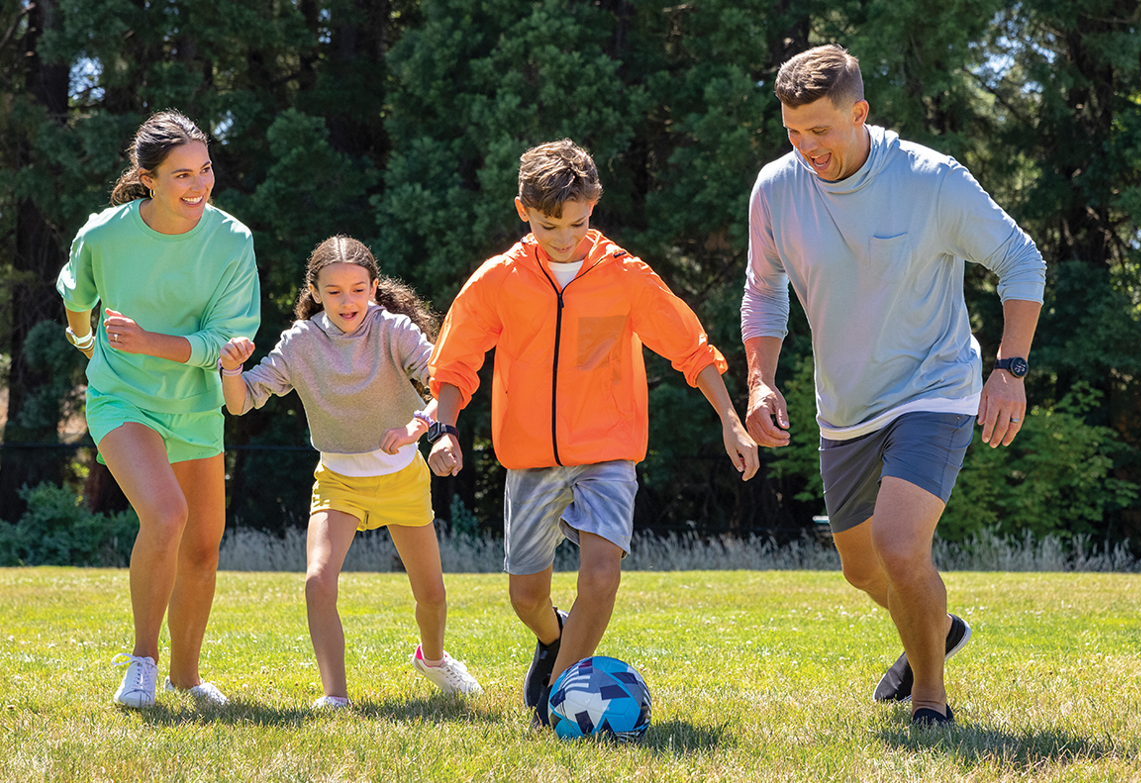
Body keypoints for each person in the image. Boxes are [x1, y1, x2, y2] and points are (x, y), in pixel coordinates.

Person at [741, 44, 1045, 726]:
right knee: (861, 568)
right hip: (846, 404)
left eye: (819, 130)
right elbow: (763, 290)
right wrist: (760, 381)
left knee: (900, 545)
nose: (805, 147)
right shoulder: (776, 189)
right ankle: (936, 626)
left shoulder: (930, 179)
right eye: (792, 131)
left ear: (860, 113)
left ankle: (930, 698)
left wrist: (1010, 369)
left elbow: (1021, 259)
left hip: (935, 385)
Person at [427, 139, 760, 726]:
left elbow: (690, 347)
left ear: (593, 207)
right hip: (530, 457)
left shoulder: (625, 276)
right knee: (525, 597)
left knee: (602, 575)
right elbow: (455, 363)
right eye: (548, 225)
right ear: (523, 211)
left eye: (577, 223)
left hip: (608, 449)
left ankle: (554, 706)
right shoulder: (499, 280)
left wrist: (731, 420)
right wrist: (444, 429)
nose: (564, 238)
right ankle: (553, 637)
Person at [218, 236, 481, 707]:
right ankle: (335, 696)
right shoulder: (300, 342)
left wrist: (419, 428)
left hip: (401, 479)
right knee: (317, 581)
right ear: (314, 292)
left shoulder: (394, 330)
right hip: (338, 482)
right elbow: (241, 403)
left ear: (374, 288)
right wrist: (232, 371)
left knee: (432, 595)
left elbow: (444, 384)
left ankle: (434, 659)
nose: (347, 301)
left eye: (358, 289)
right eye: (334, 291)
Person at [56, 110, 261, 708]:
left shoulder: (232, 240)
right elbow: (76, 293)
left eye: (206, 169)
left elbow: (224, 340)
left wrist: (150, 342)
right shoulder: (105, 234)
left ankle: (186, 677)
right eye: (182, 175)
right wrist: (84, 340)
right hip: (122, 398)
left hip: (194, 406)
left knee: (202, 547)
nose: (200, 185)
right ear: (147, 179)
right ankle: (141, 663)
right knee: (167, 516)